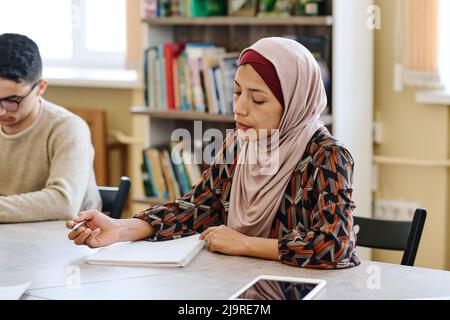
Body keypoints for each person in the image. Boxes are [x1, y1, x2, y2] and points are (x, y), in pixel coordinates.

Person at [67, 37, 360, 269]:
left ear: (296, 104)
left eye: (257, 100)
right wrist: (120, 229)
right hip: (236, 283)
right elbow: (197, 208)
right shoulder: (238, 144)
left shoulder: (327, 156)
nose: (239, 108)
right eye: (236, 92)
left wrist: (244, 243)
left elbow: (335, 245)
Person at [0, 33, 101, 223]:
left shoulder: (68, 128)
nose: (1, 112)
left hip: (66, 242)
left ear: (40, 88)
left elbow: (64, 203)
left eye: (12, 100)